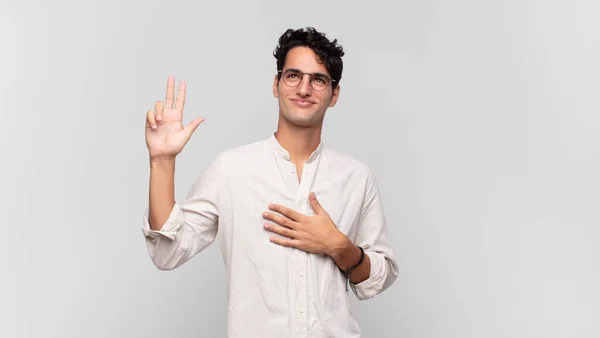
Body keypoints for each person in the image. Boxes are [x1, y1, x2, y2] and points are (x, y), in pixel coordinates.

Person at [142, 27, 398, 337]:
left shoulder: (356, 177)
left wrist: (340, 247)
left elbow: (380, 276)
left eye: (318, 80)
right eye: (293, 76)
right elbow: (167, 253)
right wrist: (162, 161)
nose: (304, 89)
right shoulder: (231, 170)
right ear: (276, 84)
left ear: (334, 94)